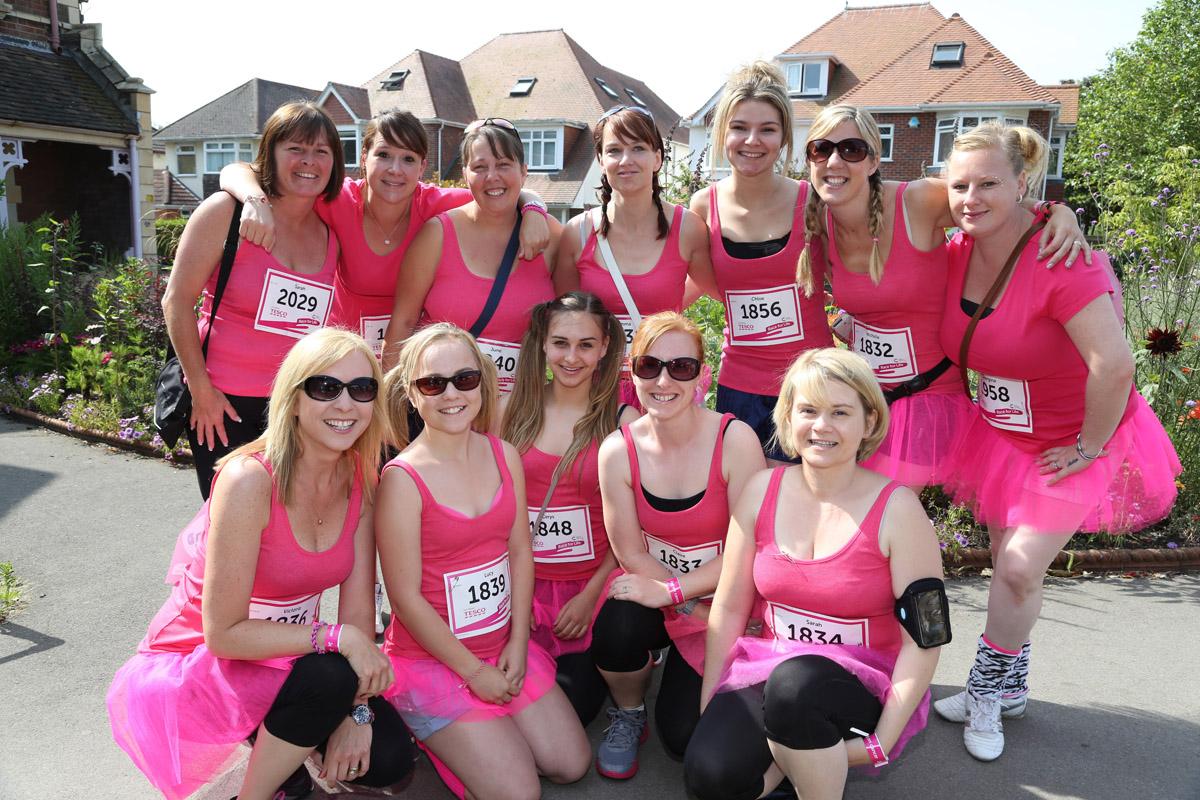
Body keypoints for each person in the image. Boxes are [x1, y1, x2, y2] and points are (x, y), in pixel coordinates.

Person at [934, 123, 1180, 761]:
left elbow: (1116, 365)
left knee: (1018, 568)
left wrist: (1089, 450)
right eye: (959, 184)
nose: (971, 197)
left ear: (1023, 183)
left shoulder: (1062, 256)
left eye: (989, 183)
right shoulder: (954, 247)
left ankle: (986, 691)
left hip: (1070, 442)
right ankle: (1011, 683)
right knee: (1004, 562)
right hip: (999, 437)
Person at [108, 328, 411, 800]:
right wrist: (335, 640)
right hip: (202, 664)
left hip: (282, 656)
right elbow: (224, 634)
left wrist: (359, 712)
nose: (346, 404)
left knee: (388, 756)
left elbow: (356, 618)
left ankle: (285, 746)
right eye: (325, 388)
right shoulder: (249, 480)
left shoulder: (360, 478)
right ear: (292, 399)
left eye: (362, 388)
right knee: (327, 675)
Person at [684, 348, 945, 800]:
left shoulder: (900, 511)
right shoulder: (760, 490)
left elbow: (925, 641)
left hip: (864, 683)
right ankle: (799, 765)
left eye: (840, 412)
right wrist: (712, 701)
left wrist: (882, 741)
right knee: (710, 774)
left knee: (795, 686)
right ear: (788, 416)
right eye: (808, 410)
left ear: (868, 422)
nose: (822, 426)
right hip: (769, 665)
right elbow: (727, 608)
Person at [795, 104, 1089, 488]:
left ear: (873, 160)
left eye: (851, 149)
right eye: (821, 149)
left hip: (928, 401)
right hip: (866, 398)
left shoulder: (916, 201)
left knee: (873, 509)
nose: (835, 161)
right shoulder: (818, 221)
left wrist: (1056, 211)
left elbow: (989, 203)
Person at [376, 323, 590, 799]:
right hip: (435, 661)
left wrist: (517, 641)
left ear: (483, 383)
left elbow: (519, 553)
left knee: (571, 763)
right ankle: (431, 732)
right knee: (520, 793)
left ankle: (479, 738)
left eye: (465, 379)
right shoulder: (401, 480)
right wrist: (474, 673)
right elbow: (406, 600)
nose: (451, 394)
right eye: (433, 383)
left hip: (502, 646)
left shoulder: (504, 453)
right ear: (412, 394)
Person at [222, 110, 549, 361]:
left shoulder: (437, 204)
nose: (396, 169)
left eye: (408, 159)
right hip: (342, 354)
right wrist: (255, 199)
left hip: (404, 357)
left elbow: (502, 188)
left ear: (422, 168)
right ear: (363, 159)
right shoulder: (335, 199)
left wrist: (534, 211)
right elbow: (238, 171)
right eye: (384, 155)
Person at [592, 311, 765, 778]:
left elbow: (744, 553)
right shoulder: (617, 450)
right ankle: (628, 711)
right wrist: (682, 604)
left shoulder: (736, 440)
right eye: (650, 366)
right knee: (618, 622)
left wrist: (677, 597)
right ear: (632, 374)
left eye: (681, 367)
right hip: (667, 593)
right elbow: (630, 552)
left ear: (702, 376)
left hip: (730, 600)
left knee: (685, 736)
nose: (664, 380)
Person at [163, 101, 343, 499]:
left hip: (297, 407)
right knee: (230, 528)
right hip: (223, 406)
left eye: (321, 151)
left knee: (286, 528)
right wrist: (201, 390)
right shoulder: (225, 213)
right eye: (295, 148)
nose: (308, 161)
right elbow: (176, 302)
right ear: (271, 154)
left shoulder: (331, 231)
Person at [499, 291, 640, 725]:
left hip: (588, 592)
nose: (571, 357)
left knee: (571, 710)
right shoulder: (509, 410)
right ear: (542, 343)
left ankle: (630, 705)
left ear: (604, 348)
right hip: (517, 586)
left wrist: (590, 594)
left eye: (585, 344)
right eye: (560, 343)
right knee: (507, 697)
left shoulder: (624, 420)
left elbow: (636, 530)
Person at [688, 62, 834, 465]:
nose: (752, 140)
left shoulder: (814, 201)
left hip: (811, 384)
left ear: (784, 136)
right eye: (739, 127)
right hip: (741, 386)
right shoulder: (703, 206)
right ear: (722, 134)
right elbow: (694, 285)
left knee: (808, 510)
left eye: (767, 129)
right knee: (748, 506)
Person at [382, 119, 560, 394]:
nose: (492, 176)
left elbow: (574, 327)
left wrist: (535, 208)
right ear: (465, 174)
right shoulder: (437, 235)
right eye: (480, 167)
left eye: (503, 165)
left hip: (519, 412)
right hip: (442, 406)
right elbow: (403, 324)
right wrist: (391, 407)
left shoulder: (551, 237)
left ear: (524, 172)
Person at [555, 106, 717, 405]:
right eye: (614, 150)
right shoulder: (576, 233)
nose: (626, 160)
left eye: (638, 148)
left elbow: (721, 290)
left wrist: (668, 311)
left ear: (657, 158)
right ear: (601, 160)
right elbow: (564, 321)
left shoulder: (688, 228)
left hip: (662, 390)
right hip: (594, 394)